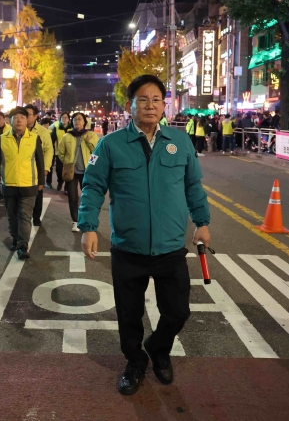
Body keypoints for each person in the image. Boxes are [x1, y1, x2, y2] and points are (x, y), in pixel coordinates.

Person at [79, 74, 210, 395]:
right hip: (128, 248)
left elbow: (193, 185)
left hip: (170, 248)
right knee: (129, 314)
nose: (150, 106)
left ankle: (159, 348)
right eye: (143, 100)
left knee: (178, 311)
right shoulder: (110, 145)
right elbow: (93, 186)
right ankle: (135, 361)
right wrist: (88, 227)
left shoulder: (179, 142)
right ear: (130, 105)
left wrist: (202, 222)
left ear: (164, 105)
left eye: (156, 100)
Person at [0, 107, 45, 259]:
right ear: (10, 120)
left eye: (22, 117)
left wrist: (41, 181)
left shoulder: (34, 138)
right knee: (12, 216)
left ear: (28, 121)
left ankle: (22, 246)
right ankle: (15, 238)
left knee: (25, 216)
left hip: (29, 184)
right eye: (16, 117)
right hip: (9, 183)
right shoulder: (3, 139)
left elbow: (40, 161)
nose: (19, 120)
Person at [57, 112, 98, 232]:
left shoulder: (91, 135)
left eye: (80, 119)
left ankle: (87, 220)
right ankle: (75, 221)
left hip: (87, 171)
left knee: (87, 197)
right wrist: (67, 162)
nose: (77, 122)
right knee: (72, 197)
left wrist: (89, 142)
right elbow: (60, 153)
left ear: (84, 122)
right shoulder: (67, 136)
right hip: (72, 172)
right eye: (75, 120)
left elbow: (96, 152)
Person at [24, 104, 54, 226]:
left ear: (36, 116)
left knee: (37, 192)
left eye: (28, 115)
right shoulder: (19, 129)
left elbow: (48, 150)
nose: (25, 118)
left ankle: (36, 217)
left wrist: (46, 168)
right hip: (23, 167)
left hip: (37, 167)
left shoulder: (43, 132)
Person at [51, 112, 71, 193]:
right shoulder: (56, 128)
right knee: (59, 170)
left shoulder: (72, 128)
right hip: (59, 153)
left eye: (66, 117)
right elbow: (52, 140)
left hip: (70, 153)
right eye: (62, 117)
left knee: (68, 170)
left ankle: (66, 187)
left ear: (69, 119)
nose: (64, 119)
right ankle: (60, 181)